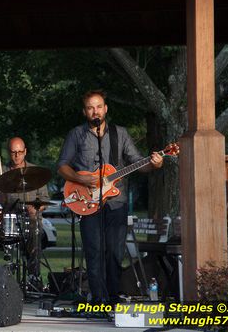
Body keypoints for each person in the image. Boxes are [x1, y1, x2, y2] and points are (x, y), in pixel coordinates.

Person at [57, 90, 163, 303]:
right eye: (90, 107)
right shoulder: (76, 134)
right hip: (87, 201)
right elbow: (61, 166)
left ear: (105, 109)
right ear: (85, 111)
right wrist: (83, 180)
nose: (95, 111)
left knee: (115, 253)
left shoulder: (120, 134)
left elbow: (136, 161)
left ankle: (113, 298)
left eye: (98, 106)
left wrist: (153, 164)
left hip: (116, 202)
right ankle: (99, 300)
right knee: (94, 253)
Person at [0, 137, 49, 280]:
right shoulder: (1, 172)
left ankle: (33, 277)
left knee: (35, 231)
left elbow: (45, 200)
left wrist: (35, 208)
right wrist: (0, 198)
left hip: (31, 220)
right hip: (8, 220)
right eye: (13, 152)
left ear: (25, 152)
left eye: (19, 152)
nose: (17, 156)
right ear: (8, 153)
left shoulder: (36, 173)